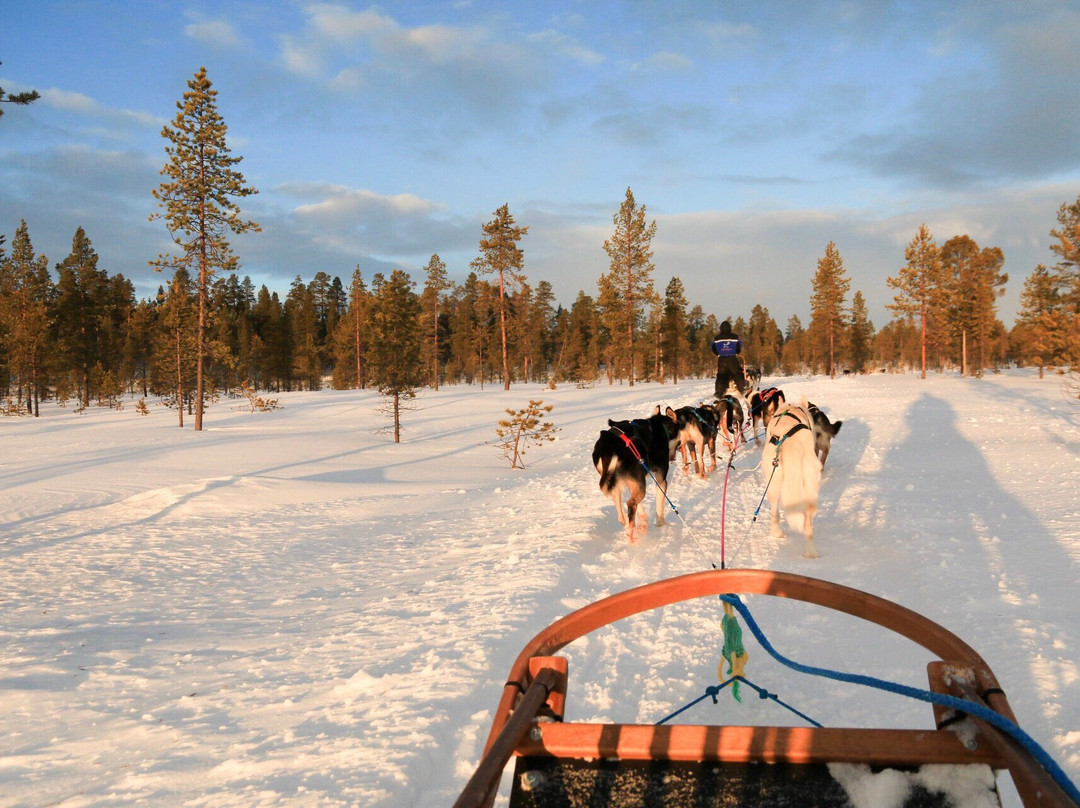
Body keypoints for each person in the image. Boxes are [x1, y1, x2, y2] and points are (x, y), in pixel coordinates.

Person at [711, 320, 749, 398]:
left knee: (721, 376)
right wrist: (736, 352)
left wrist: (718, 354)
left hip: (721, 359)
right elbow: (739, 344)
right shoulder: (735, 337)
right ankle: (742, 389)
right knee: (737, 374)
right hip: (732, 358)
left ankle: (719, 392)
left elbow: (712, 347)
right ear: (730, 328)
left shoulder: (716, 338)